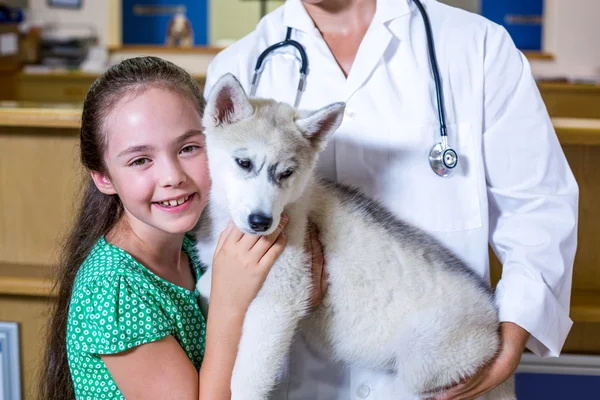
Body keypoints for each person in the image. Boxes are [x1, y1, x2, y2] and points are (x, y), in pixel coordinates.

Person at [203, 0, 579, 399]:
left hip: (445, 364)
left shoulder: (477, 45)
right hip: (304, 375)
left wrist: (512, 337)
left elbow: (540, 206)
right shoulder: (242, 62)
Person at [38, 56, 327, 400]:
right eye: (140, 160)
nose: (173, 176)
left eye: (189, 148)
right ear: (103, 176)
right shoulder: (114, 290)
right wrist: (228, 300)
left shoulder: (192, 246)